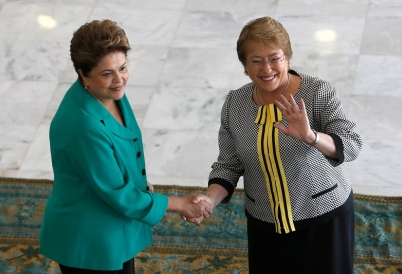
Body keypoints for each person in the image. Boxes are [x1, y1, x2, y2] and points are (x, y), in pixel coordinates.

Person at [186, 16, 363, 274]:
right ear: (245, 66)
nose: (266, 69)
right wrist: (209, 200)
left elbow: (352, 144)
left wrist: (311, 136)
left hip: (323, 218)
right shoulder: (235, 104)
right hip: (265, 222)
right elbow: (229, 164)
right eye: (256, 61)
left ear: (288, 57)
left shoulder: (317, 92)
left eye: (274, 58)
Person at [39, 19, 211, 274]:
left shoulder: (108, 92)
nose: (119, 80)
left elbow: (120, 151)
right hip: (88, 239)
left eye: (123, 68)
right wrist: (180, 204)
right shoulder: (83, 126)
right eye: (107, 73)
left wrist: (142, 186)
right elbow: (117, 193)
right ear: (82, 74)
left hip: (110, 225)